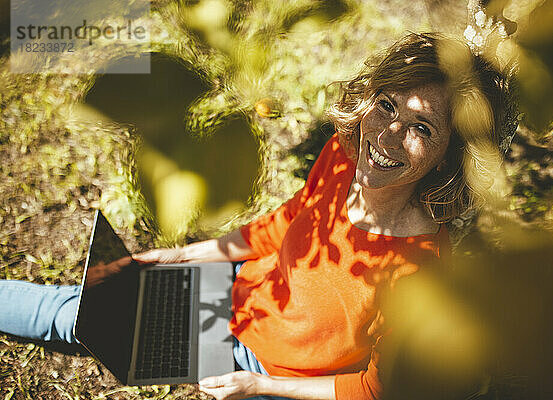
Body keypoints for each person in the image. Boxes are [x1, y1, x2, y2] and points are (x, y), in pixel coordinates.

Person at [0, 33, 516, 400]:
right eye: (386, 105)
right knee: (78, 312)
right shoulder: (345, 156)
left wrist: (258, 384)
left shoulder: (418, 269)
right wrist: (185, 256)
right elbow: (289, 222)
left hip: (283, 380)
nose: (385, 136)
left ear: (451, 155)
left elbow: (376, 388)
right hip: (235, 309)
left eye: (421, 128)